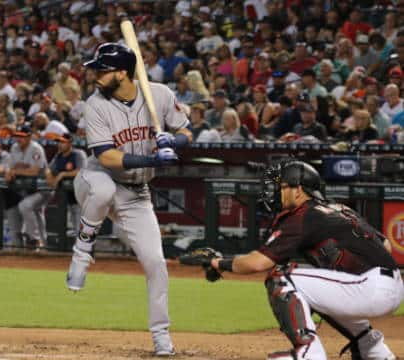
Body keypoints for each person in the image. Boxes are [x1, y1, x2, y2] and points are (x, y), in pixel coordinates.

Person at [195, 161, 403, 360]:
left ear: (298, 190)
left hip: (370, 288)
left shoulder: (303, 215)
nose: (277, 191)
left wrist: (217, 262)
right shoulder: (339, 208)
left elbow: (257, 263)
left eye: (282, 186)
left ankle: (308, 351)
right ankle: (373, 349)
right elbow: (385, 245)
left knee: (281, 277)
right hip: (392, 285)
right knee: (314, 290)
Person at [66, 43, 192, 356]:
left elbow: (187, 133)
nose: (95, 75)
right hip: (96, 179)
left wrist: (172, 141)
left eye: (102, 70)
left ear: (122, 73)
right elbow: (106, 157)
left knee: (156, 264)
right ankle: (83, 250)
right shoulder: (95, 104)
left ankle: (161, 336)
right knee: (104, 190)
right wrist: (153, 160)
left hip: (137, 194)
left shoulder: (158, 94)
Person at [6, 125, 50, 249]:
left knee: (25, 206)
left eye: (22, 137)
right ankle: (42, 245)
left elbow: (35, 171)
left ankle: (34, 239)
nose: (19, 139)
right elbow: (11, 167)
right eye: (17, 137)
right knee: (36, 214)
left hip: (43, 189)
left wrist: (16, 171)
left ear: (29, 137)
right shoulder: (14, 148)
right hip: (27, 189)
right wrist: (9, 171)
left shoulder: (36, 149)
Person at [45, 133, 87, 232]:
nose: (59, 144)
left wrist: (63, 174)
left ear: (70, 143)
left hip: (80, 197)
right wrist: (49, 175)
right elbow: (48, 169)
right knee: (71, 227)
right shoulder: (58, 156)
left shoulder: (78, 154)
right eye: (58, 142)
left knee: (81, 228)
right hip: (66, 198)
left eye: (63, 142)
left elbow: (82, 171)